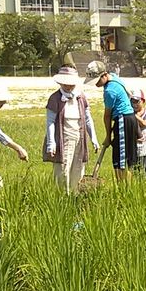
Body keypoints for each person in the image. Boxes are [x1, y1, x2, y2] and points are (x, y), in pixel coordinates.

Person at [44, 66, 99, 195]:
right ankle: (62, 197)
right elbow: (50, 122)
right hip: (63, 137)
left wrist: (94, 138)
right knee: (63, 169)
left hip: (79, 136)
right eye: (66, 84)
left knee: (78, 168)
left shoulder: (81, 97)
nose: (68, 87)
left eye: (71, 84)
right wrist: (51, 143)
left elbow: (87, 118)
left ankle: (75, 196)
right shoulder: (55, 98)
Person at [86, 60, 138, 182]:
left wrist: (108, 136)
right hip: (130, 118)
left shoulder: (109, 91)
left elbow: (107, 116)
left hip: (122, 120)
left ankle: (123, 188)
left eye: (97, 81)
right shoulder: (114, 77)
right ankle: (128, 187)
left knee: (120, 159)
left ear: (104, 75)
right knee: (127, 157)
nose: (96, 84)